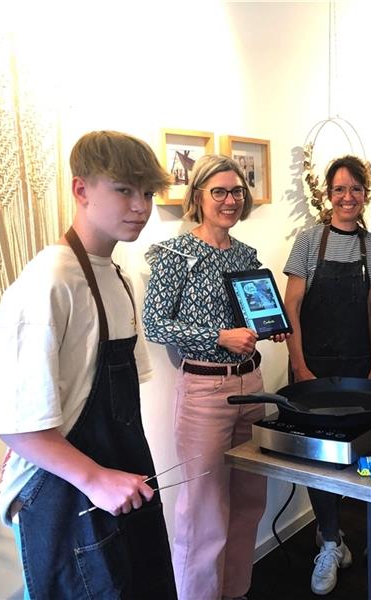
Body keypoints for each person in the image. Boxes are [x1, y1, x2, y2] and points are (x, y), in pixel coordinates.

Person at [0, 131, 177, 598]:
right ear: (81, 190)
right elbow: (12, 423)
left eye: (147, 192)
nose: (140, 206)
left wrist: (111, 478)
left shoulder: (119, 279)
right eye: (124, 190)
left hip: (117, 475)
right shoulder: (49, 282)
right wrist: (93, 478)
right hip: (61, 489)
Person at [142, 154, 287, 600]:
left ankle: (235, 592)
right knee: (202, 511)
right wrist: (218, 337)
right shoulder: (174, 254)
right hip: (206, 389)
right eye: (219, 192)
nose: (230, 200)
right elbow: (154, 323)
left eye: (237, 191)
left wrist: (269, 326)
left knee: (248, 503)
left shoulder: (246, 254)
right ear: (199, 196)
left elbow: (250, 315)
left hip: (252, 384)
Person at [283, 155, 371, 595]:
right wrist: (300, 365)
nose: (347, 197)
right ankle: (329, 540)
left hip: (358, 365)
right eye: (339, 189)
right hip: (314, 366)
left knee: (359, 456)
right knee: (316, 459)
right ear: (328, 194)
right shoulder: (308, 242)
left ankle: (358, 535)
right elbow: (292, 309)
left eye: (355, 189)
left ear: (365, 194)